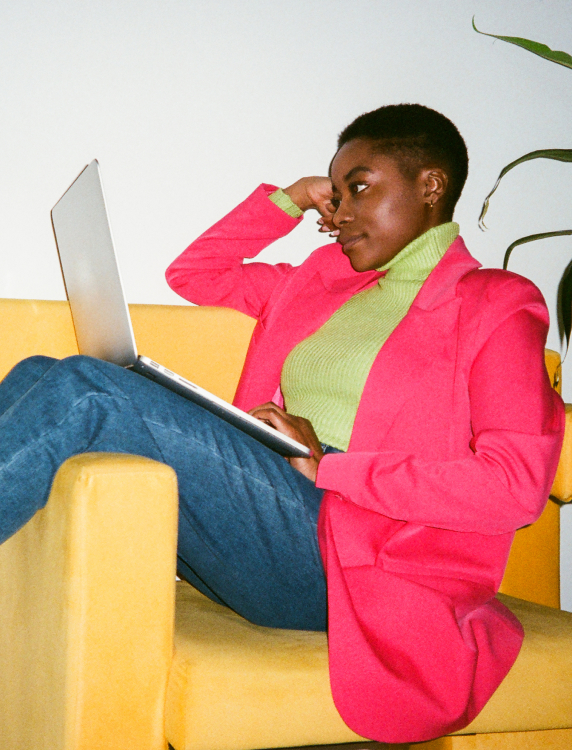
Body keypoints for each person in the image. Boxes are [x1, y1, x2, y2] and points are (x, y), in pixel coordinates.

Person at [0, 104, 564, 743]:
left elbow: (513, 485)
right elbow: (196, 274)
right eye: (337, 191)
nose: (342, 211)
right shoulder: (320, 282)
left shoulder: (496, 303)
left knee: (87, 389)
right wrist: (292, 198)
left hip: (356, 563)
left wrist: (329, 465)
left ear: (430, 188)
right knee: (39, 371)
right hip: (279, 519)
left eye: (361, 187)